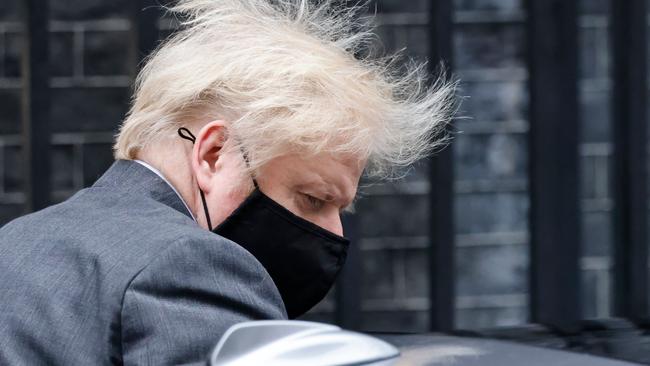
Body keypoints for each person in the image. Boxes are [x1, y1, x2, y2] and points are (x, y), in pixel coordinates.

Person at [0, 0, 454, 364]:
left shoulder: (18, 240)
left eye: (341, 208)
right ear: (214, 154)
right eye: (313, 198)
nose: (334, 232)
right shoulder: (189, 266)